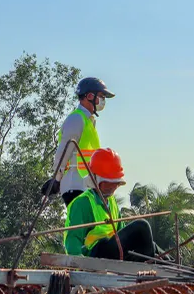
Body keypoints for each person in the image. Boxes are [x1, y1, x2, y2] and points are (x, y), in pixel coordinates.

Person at [63, 148, 161, 260]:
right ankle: (148, 265)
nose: (114, 186)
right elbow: (73, 239)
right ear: (96, 179)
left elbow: (121, 233)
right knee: (142, 226)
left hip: (114, 250)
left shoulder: (112, 201)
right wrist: (78, 264)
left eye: (116, 182)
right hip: (97, 253)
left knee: (152, 245)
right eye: (109, 182)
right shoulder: (83, 203)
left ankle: (166, 262)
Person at [42, 77, 116, 207]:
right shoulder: (76, 119)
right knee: (80, 224)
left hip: (84, 183)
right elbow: (64, 151)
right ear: (89, 96)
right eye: (101, 96)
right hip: (74, 184)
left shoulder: (89, 121)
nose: (103, 100)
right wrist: (56, 179)